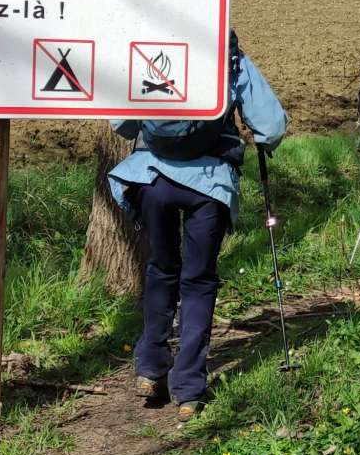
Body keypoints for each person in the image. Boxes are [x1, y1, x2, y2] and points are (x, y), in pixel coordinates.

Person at [108, 31, 287, 421]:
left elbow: (120, 123)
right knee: (199, 280)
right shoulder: (230, 56)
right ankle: (188, 389)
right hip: (210, 186)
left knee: (161, 268)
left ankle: (150, 367)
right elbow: (272, 126)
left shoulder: (157, 50)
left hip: (152, 179)